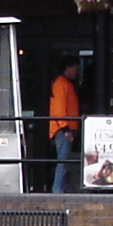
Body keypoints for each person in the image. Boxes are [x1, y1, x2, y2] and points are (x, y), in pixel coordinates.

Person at [49, 59, 83, 194]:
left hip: (68, 128)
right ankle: (58, 191)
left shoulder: (65, 84)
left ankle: (61, 189)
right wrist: (65, 129)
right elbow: (59, 109)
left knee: (65, 161)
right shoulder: (61, 84)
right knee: (63, 161)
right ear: (67, 68)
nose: (77, 72)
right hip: (64, 129)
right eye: (75, 68)